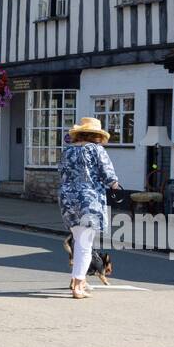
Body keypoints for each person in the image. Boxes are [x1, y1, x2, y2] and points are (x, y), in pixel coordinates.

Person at [57, 117, 122, 299]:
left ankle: (80, 280)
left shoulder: (67, 151)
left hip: (67, 199)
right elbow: (109, 175)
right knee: (85, 245)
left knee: (79, 241)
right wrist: (116, 187)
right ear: (97, 135)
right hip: (89, 200)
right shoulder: (96, 150)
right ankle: (78, 286)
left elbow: (61, 172)